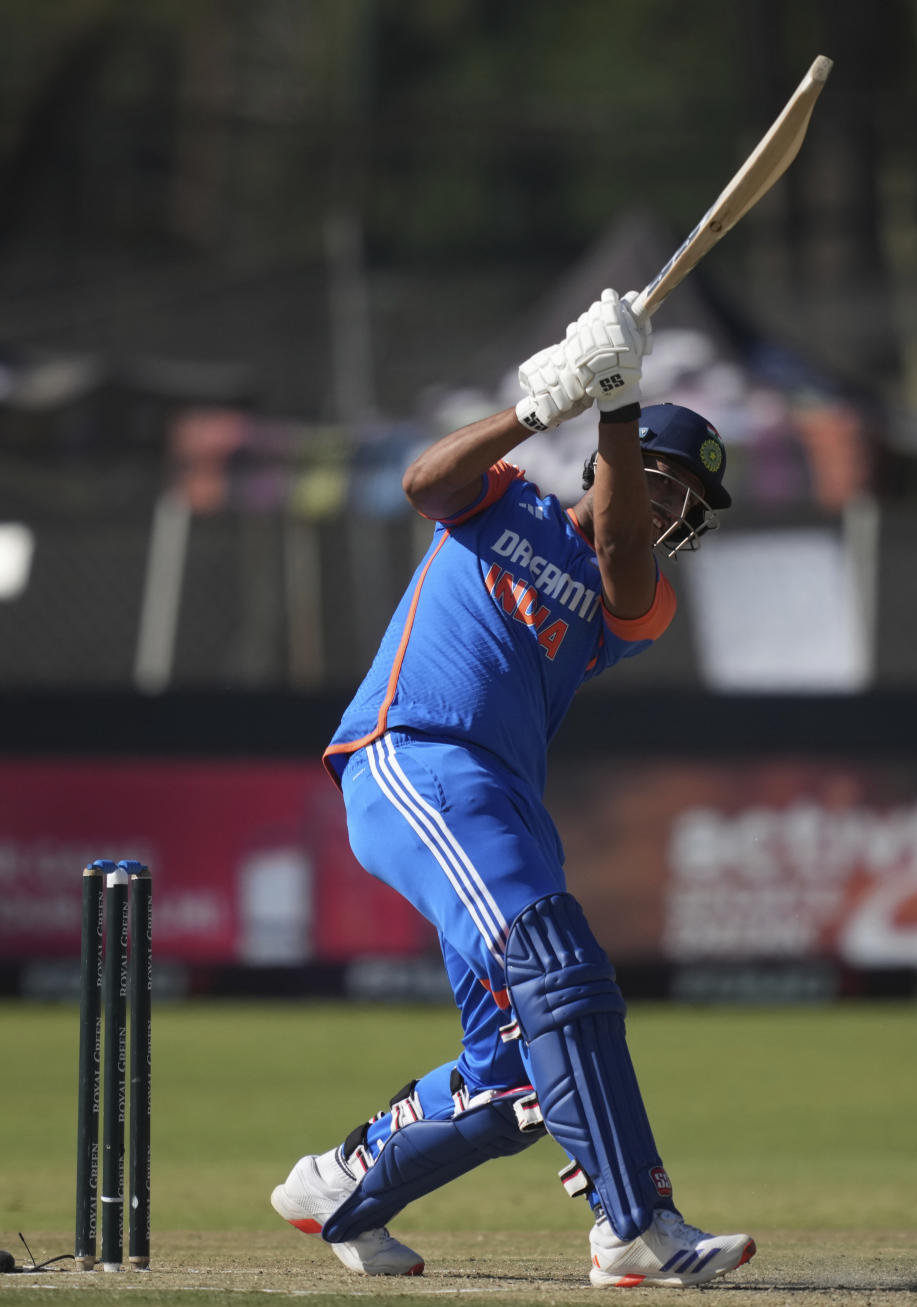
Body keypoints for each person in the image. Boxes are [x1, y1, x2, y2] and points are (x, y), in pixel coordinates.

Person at [270, 288, 754, 1288]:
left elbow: (618, 552)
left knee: (513, 1082)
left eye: (683, 507)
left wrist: (618, 402)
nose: (666, 510)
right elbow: (422, 480)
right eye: (659, 483)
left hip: (500, 801)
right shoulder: (506, 502)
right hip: (413, 757)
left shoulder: (640, 599)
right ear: (605, 466)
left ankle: (341, 1186)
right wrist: (549, 398)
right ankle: (634, 1224)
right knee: (558, 964)